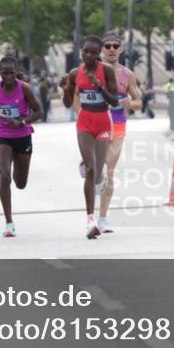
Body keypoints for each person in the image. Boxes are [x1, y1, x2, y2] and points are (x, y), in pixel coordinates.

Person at [0, 56, 43, 237]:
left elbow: (39, 112)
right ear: (0, 72)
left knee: (20, 183)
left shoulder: (24, 88)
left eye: (12, 72)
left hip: (23, 137)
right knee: (4, 176)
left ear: (16, 72)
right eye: (5, 73)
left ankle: (16, 171)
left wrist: (22, 121)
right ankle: (9, 223)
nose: (8, 76)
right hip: (3, 137)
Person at [61, 35, 119, 239]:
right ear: (81, 51)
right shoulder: (76, 73)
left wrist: (100, 87)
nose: (89, 55)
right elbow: (68, 103)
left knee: (99, 170)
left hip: (103, 121)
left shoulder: (107, 71)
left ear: (99, 54)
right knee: (90, 168)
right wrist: (65, 88)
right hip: (85, 121)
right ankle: (90, 220)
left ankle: (100, 180)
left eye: (94, 53)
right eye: (86, 51)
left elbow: (114, 102)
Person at [99, 32, 142, 234]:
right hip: (97, 124)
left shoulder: (127, 74)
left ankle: (102, 219)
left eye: (115, 46)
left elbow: (139, 102)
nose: (112, 49)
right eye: (107, 46)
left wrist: (129, 103)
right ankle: (89, 163)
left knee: (108, 171)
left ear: (121, 49)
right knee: (97, 170)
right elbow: (77, 96)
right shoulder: (93, 72)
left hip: (117, 124)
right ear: (102, 50)